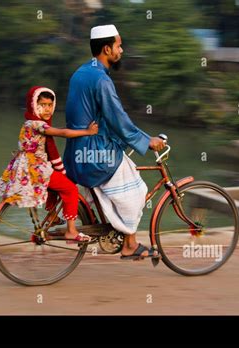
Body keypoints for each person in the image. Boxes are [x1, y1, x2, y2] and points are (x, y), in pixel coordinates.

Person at [63, 25, 166, 259]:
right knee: (138, 188)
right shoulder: (101, 80)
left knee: (122, 169)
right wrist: (146, 141)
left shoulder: (80, 73)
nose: (122, 50)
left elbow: (107, 120)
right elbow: (118, 119)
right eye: (119, 45)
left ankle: (115, 232)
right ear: (107, 48)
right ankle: (130, 244)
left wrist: (136, 137)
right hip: (94, 155)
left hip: (75, 153)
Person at [0, 86, 98, 243]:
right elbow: (62, 133)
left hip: (31, 169)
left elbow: (56, 130)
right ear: (34, 105)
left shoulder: (30, 123)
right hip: (37, 170)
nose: (47, 109)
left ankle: (53, 217)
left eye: (50, 105)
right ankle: (71, 231)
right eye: (42, 105)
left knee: (57, 186)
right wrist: (87, 132)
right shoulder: (36, 124)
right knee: (70, 189)